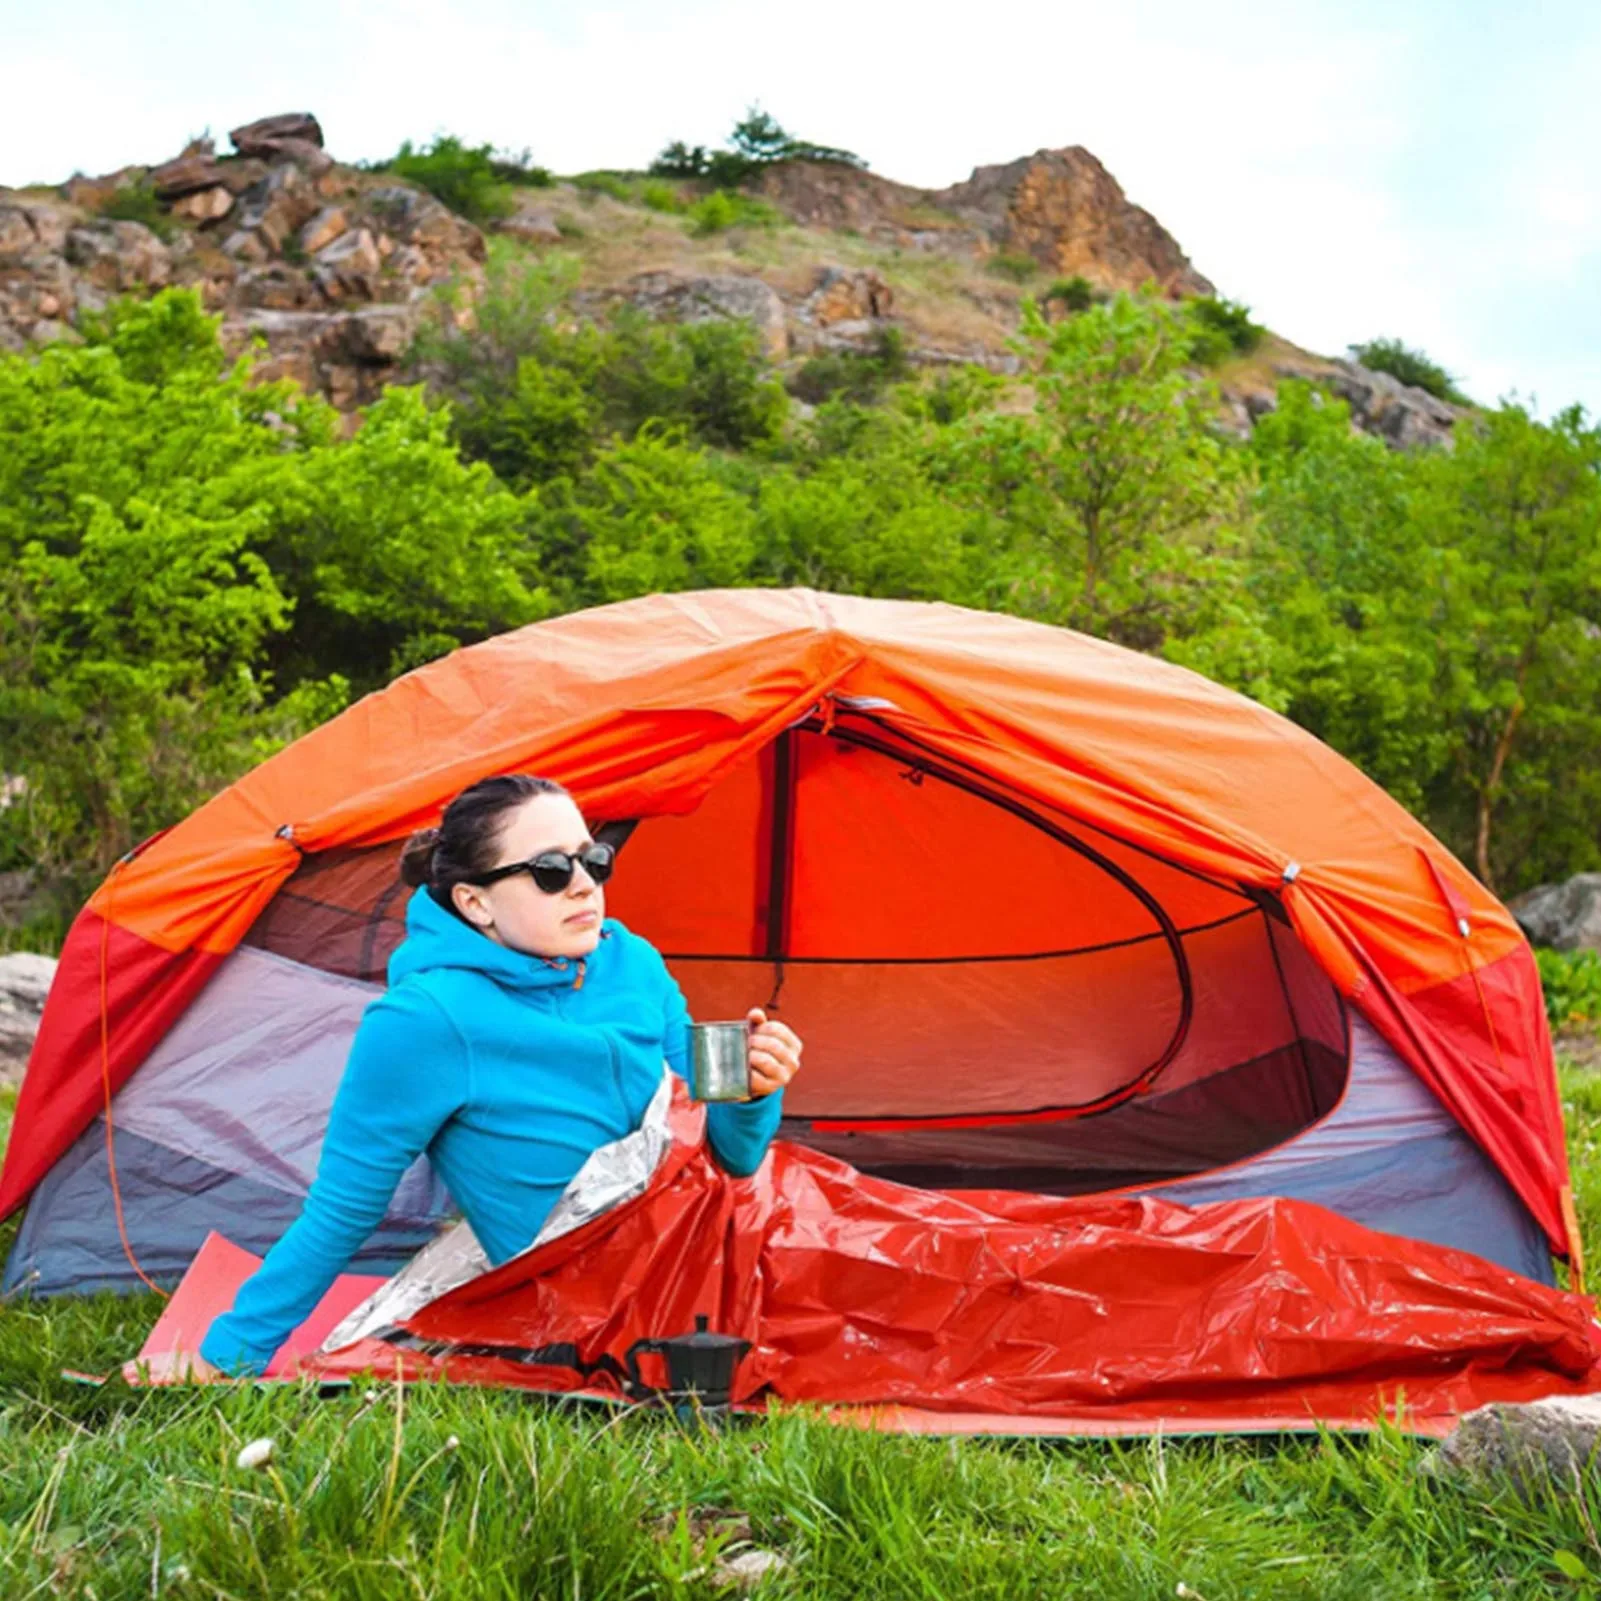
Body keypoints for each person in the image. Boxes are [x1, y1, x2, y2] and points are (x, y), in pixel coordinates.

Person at [178, 773, 804, 1379]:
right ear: (474, 902)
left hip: (713, 1243)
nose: (585, 885)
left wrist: (752, 1093)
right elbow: (343, 1209)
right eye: (551, 872)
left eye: (594, 859)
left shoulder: (632, 963)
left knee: (881, 1264)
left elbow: (732, 1160)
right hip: (595, 1306)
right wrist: (229, 1354)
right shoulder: (426, 1020)